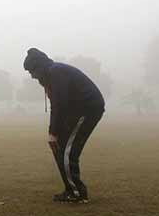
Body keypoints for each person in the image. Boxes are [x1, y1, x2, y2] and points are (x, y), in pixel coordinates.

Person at [23, 48, 105, 204]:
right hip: (76, 111)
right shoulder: (51, 74)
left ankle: (77, 193)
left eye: (32, 71)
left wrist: (52, 132)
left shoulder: (56, 72)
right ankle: (70, 190)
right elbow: (60, 104)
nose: (32, 76)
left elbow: (59, 104)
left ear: (38, 67)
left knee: (68, 152)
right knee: (59, 146)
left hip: (87, 109)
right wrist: (54, 133)